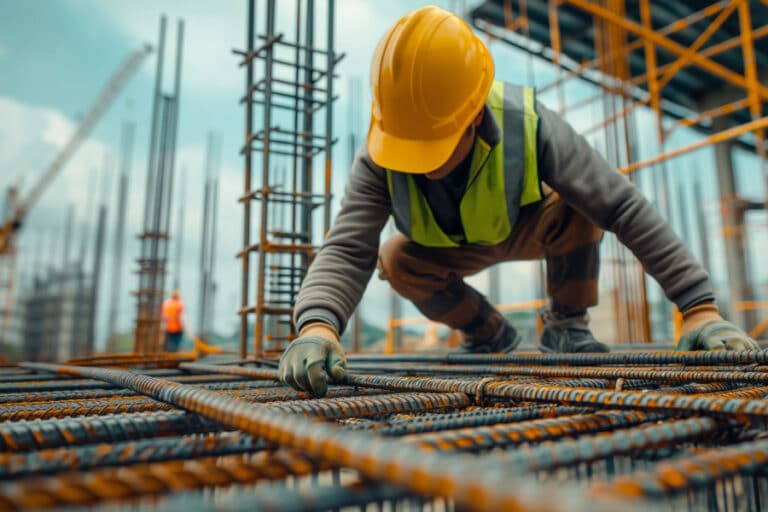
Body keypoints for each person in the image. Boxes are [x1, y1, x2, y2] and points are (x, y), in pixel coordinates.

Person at [278, 6, 759, 397]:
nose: (423, 164)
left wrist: (699, 307)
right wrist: (318, 326)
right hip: (450, 248)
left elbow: (622, 206)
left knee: (582, 201)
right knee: (394, 257)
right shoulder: (381, 151)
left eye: (436, 144)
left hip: (534, 227)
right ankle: (488, 334)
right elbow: (347, 248)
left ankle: (567, 326)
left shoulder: (530, 125)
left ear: (473, 116)